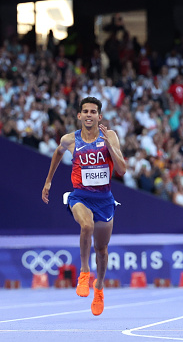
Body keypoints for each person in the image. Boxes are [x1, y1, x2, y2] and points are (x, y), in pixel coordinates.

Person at [41, 97, 127, 316]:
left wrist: (109, 146)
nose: (89, 115)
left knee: (102, 250)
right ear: (79, 116)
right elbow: (58, 153)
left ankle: (98, 288)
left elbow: (122, 170)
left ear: (99, 116)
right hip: (80, 195)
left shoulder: (111, 136)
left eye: (93, 111)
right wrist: (49, 181)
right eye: (85, 111)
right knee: (86, 225)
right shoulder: (70, 139)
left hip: (105, 200)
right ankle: (84, 273)